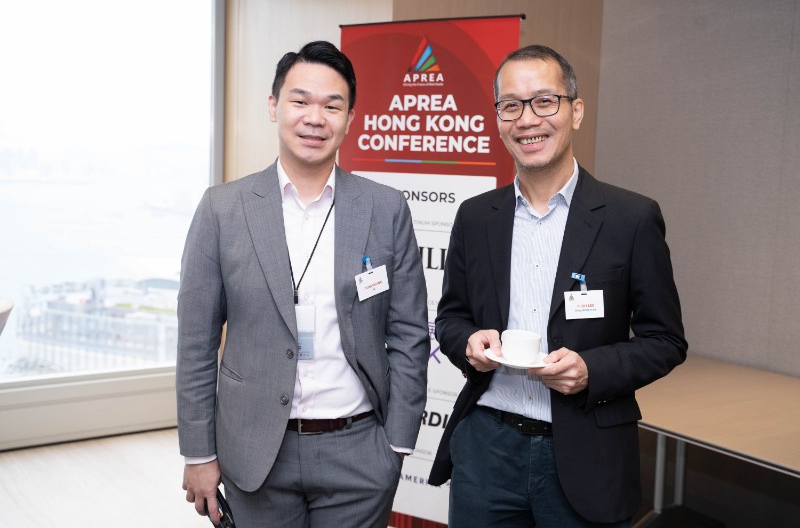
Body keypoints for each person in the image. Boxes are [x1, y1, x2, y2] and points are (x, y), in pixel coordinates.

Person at [428, 44, 687, 527]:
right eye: (511, 105)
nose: (528, 119)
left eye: (544, 101)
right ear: (498, 119)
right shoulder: (477, 217)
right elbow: (450, 317)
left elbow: (666, 341)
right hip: (487, 450)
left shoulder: (630, 219)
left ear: (576, 111)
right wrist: (467, 341)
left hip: (587, 451)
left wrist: (592, 369)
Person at [177, 40, 429, 527]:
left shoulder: (385, 208)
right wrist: (198, 453)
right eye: (300, 101)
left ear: (350, 117)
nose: (315, 118)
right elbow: (195, 342)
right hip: (254, 452)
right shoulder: (222, 208)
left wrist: (395, 447)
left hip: (359, 451)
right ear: (274, 106)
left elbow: (409, 333)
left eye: (332, 106)